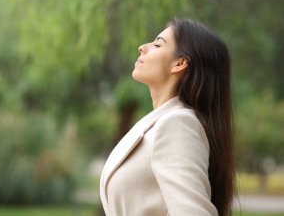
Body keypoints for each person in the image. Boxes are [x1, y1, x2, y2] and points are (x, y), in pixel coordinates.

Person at [99, 18, 235, 216]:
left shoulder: (178, 123)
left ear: (179, 63)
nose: (142, 48)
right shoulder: (157, 123)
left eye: (157, 44)